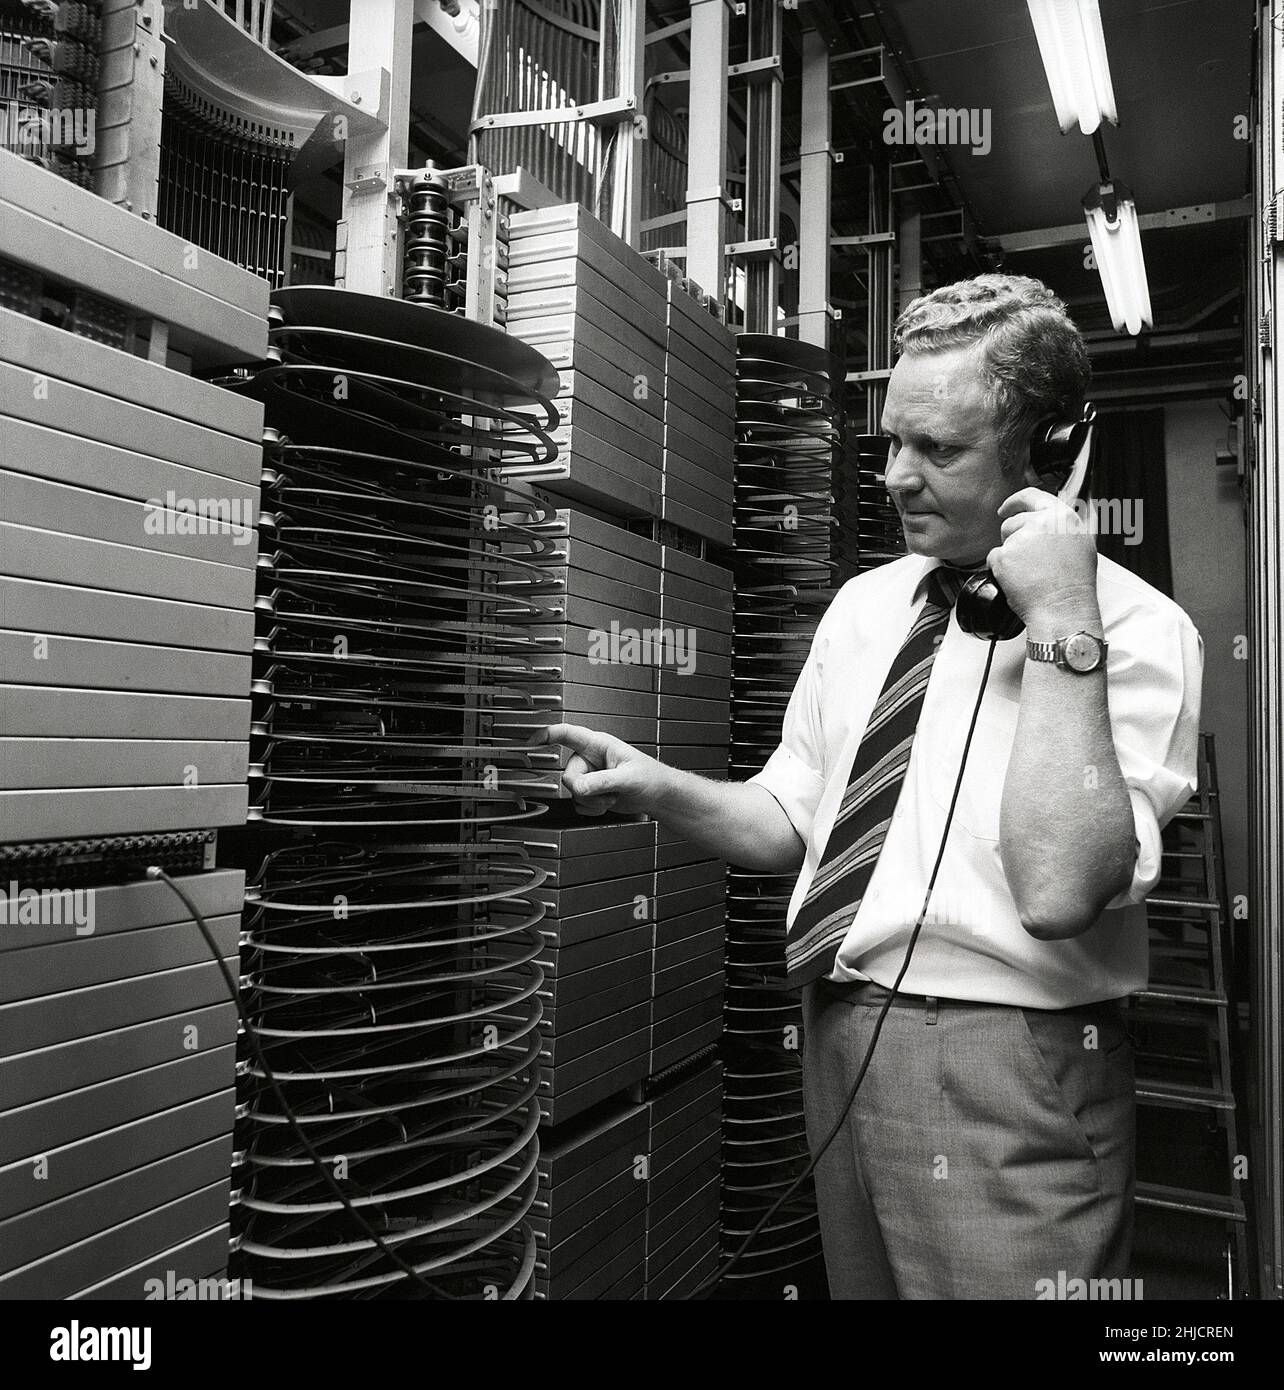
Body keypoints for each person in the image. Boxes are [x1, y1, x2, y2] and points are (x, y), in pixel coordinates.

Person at [545, 274, 1203, 1299]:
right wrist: (655, 786)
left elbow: (1060, 889)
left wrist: (1064, 626)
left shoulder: (1138, 633)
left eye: (938, 450)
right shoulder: (865, 606)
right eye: (890, 440)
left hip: (1010, 1064)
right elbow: (792, 820)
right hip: (841, 1034)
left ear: (1053, 453)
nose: (897, 476)